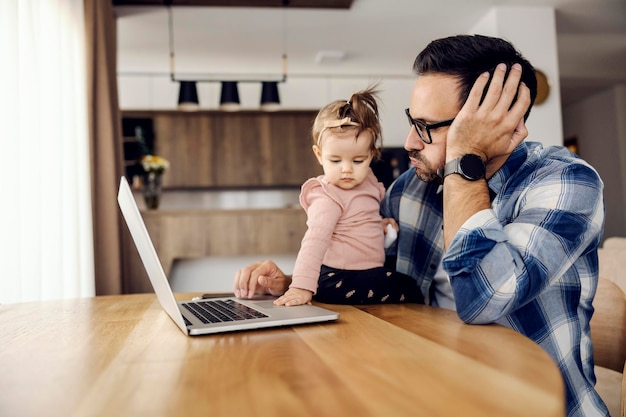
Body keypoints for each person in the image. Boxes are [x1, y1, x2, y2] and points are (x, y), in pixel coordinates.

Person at [233, 34, 607, 417]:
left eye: (427, 127)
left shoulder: (564, 183)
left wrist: (465, 157)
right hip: (433, 389)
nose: (410, 141)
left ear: (492, 122)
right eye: (412, 121)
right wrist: (299, 283)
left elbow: (484, 297)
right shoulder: (410, 188)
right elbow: (372, 278)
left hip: (535, 405)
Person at [268, 87, 424, 307]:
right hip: (336, 279)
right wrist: (300, 287)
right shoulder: (327, 196)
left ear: (371, 155)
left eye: (357, 160)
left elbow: (355, 221)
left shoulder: (367, 182)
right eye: (336, 160)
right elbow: (314, 241)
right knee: (409, 288)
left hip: (362, 274)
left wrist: (378, 225)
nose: (347, 169)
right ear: (319, 155)